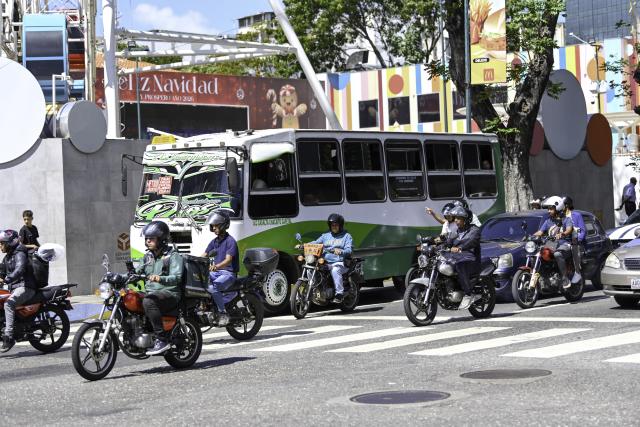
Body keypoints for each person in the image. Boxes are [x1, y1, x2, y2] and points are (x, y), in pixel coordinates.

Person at [137, 221, 183, 356]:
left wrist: (160, 278)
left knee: (148, 301)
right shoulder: (147, 257)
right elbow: (137, 271)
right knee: (129, 297)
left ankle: (162, 339)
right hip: (152, 292)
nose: (148, 241)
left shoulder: (173, 256)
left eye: (152, 238)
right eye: (147, 238)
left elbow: (177, 277)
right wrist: (116, 276)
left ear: (162, 239)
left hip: (169, 292)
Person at [0, 230, 36, 352]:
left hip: (26, 287)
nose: (0, 245)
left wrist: (7, 280)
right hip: (15, 288)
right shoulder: (7, 257)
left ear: (10, 243)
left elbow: (19, 269)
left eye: (2, 243)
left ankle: (9, 337)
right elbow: (2, 272)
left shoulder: (20, 254)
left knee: (8, 304)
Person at [201, 210, 238, 327]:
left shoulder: (230, 241)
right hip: (217, 273)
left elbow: (228, 260)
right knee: (200, 281)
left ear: (223, 225)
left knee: (215, 286)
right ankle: (207, 307)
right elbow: (204, 255)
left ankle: (223, 313)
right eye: (213, 226)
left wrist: (216, 266)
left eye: (216, 225)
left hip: (228, 273)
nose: (214, 228)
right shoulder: (214, 242)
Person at [442, 206, 482, 310]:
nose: (456, 220)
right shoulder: (456, 232)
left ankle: (468, 294)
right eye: (455, 218)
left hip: (470, 259)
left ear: (466, 219)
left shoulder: (474, 230)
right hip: (456, 258)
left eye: (459, 218)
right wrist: (435, 243)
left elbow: (472, 241)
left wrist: (460, 248)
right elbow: (448, 241)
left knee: (460, 265)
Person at [307, 214, 353, 303]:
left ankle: (339, 294)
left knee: (335, 270)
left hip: (339, 262)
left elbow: (349, 249)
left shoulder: (347, 236)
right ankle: (313, 288)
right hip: (325, 262)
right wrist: (304, 245)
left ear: (340, 225)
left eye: (336, 225)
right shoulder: (325, 236)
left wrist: (341, 251)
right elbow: (316, 243)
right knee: (311, 268)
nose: (334, 227)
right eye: (332, 225)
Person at [533, 196, 574, 289]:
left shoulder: (566, 219)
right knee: (536, 255)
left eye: (551, 209)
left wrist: (562, 233)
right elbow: (540, 232)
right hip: (551, 244)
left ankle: (564, 278)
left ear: (558, 207)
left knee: (558, 254)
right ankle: (542, 277)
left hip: (564, 244)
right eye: (548, 209)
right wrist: (530, 236)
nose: (548, 211)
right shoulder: (548, 221)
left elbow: (569, 229)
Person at [563, 196, 585, 284]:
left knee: (575, 249)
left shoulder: (576, 215)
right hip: (564, 242)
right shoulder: (561, 217)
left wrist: (577, 239)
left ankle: (577, 272)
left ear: (567, 205)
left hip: (575, 242)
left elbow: (582, 230)